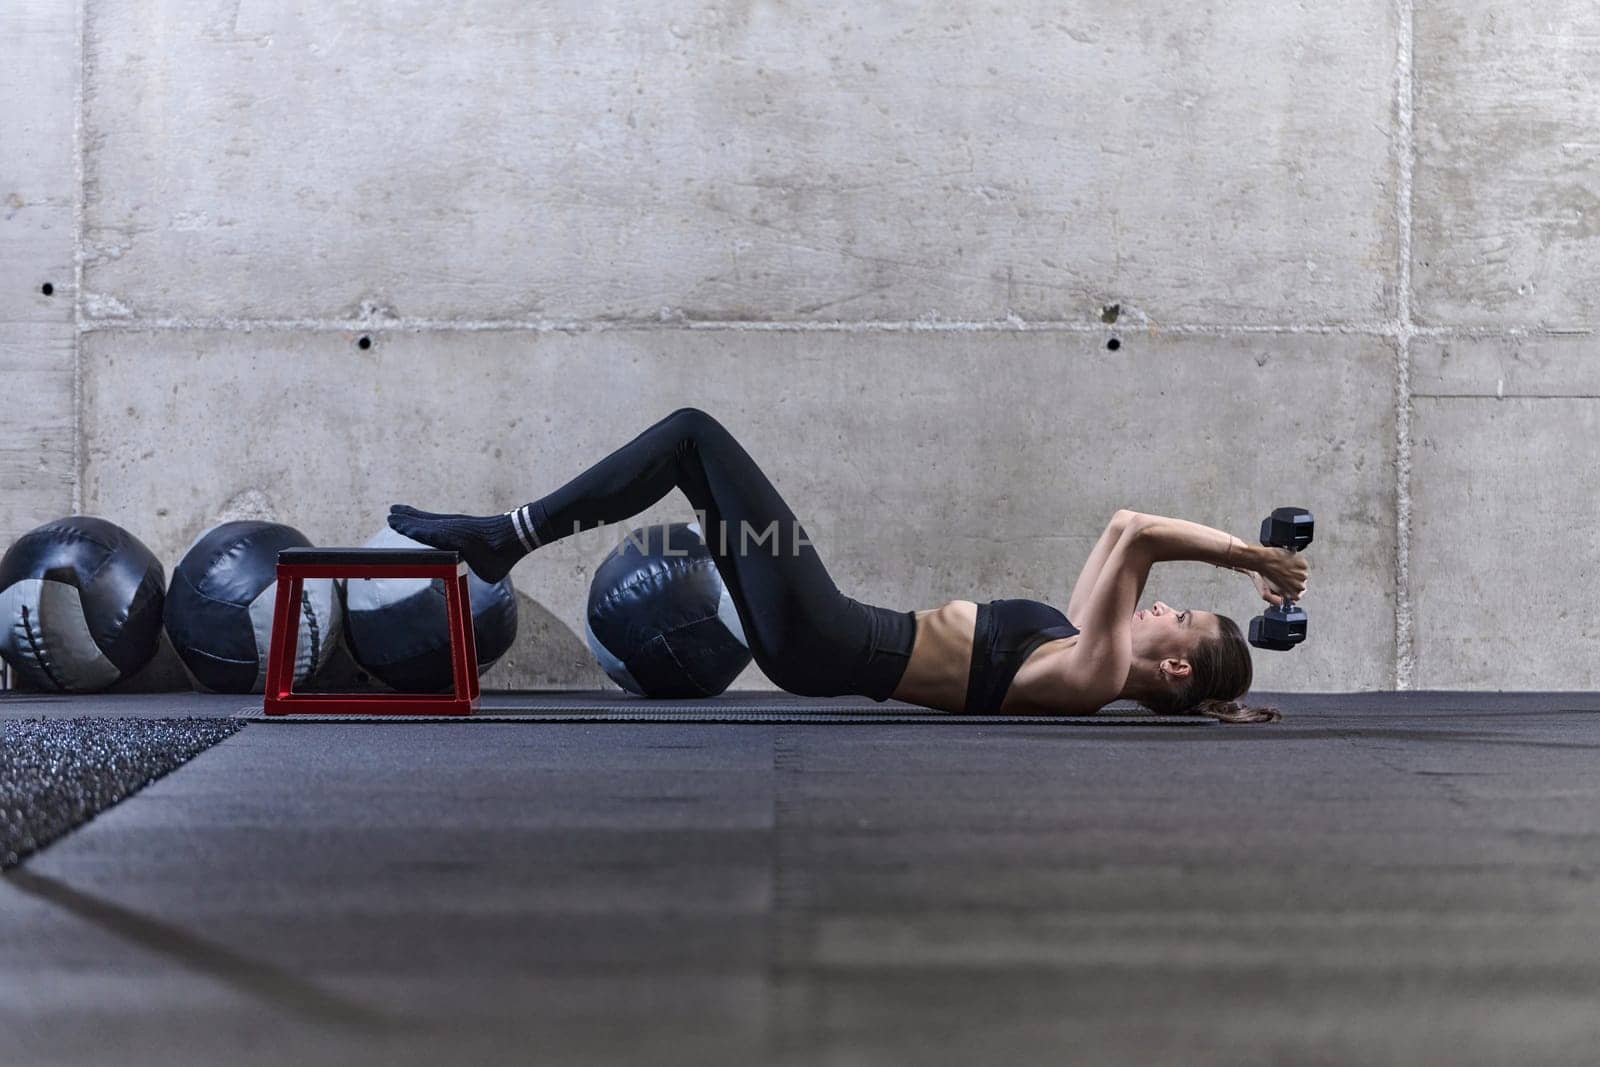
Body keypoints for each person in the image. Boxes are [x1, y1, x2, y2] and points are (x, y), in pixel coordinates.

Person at [389, 408, 1309, 723]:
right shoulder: (1079, 646)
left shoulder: (1099, 668)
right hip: (825, 636)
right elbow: (1120, 530)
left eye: (1178, 619)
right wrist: (1253, 562)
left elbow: (1143, 533)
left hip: (828, 639)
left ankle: (505, 536)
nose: (1161, 610)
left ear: (1176, 666)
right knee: (690, 456)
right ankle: (505, 536)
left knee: (692, 436)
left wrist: (1249, 557)